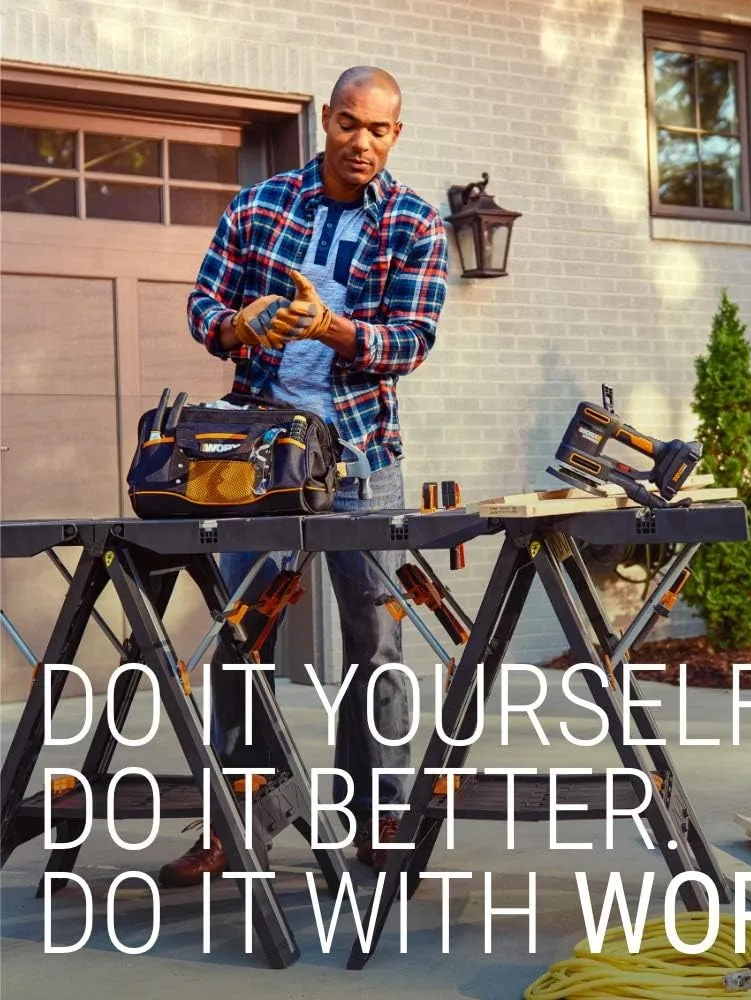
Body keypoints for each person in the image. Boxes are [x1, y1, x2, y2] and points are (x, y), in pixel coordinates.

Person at [157, 66, 449, 887]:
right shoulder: (259, 206)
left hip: (361, 458)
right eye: (350, 125)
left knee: (377, 640)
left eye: (380, 130)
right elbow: (201, 304)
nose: (363, 143)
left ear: (398, 133)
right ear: (327, 120)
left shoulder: (415, 223)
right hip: (257, 458)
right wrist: (236, 324)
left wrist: (336, 329)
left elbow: (412, 340)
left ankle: (377, 819)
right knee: (239, 639)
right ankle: (236, 825)